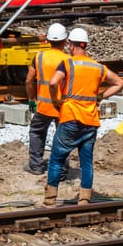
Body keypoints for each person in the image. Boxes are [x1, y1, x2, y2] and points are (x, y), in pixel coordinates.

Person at [38, 27, 123, 208]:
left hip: (70, 117)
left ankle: (49, 200)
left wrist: (56, 100)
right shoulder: (97, 67)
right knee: (86, 161)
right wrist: (101, 96)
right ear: (85, 45)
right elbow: (120, 82)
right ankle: (84, 198)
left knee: (56, 159)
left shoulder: (68, 64)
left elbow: (54, 82)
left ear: (70, 45)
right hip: (90, 120)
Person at [23, 22, 70, 175]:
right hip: (62, 106)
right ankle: (61, 171)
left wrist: (31, 99)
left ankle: (36, 166)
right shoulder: (69, 60)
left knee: (37, 132)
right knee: (62, 136)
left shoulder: (39, 56)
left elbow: (29, 80)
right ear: (65, 41)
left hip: (43, 106)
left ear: (48, 40)